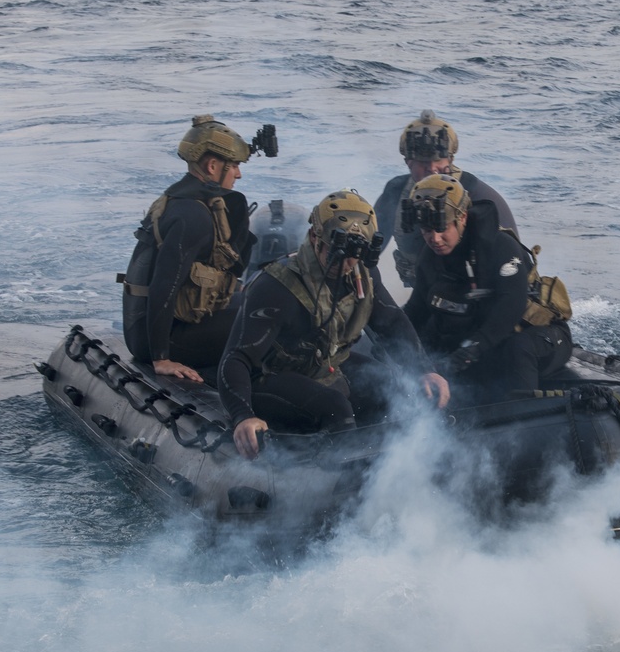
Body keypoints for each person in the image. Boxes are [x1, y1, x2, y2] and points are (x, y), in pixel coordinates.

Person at [217, 189, 450, 459]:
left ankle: (392, 465)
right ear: (315, 237)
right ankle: (333, 480)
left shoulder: (362, 273)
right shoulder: (276, 287)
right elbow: (236, 358)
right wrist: (242, 416)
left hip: (326, 363)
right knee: (336, 409)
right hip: (272, 376)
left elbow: (391, 322)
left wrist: (423, 369)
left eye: (355, 254)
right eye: (337, 252)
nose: (347, 262)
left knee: (393, 388)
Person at [120, 114, 277, 382]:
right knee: (268, 323)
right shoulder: (193, 215)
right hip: (157, 340)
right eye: (235, 165)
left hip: (158, 325)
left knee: (264, 303)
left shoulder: (184, 198)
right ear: (214, 166)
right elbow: (163, 285)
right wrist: (161, 358)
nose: (239, 173)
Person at [401, 174, 572, 403]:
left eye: (442, 229)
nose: (435, 238)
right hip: (479, 340)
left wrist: (472, 348)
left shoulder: (499, 246)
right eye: (427, 230)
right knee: (428, 343)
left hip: (531, 336)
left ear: (461, 218)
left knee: (518, 348)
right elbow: (417, 310)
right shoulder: (429, 258)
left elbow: (511, 305)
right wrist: (391, 333)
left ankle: (525, 415)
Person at [374, 109, 518, 287]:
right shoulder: (396, 193)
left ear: (450, 159)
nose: (432, 169)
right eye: (423, 163)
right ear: (408, 162)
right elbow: (370, 247)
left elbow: (511, 260)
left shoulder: (478, 197)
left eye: (439, 161)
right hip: (422, 291)